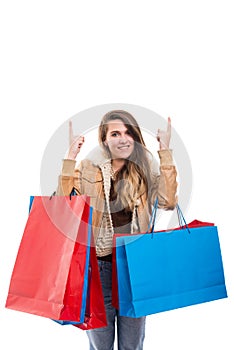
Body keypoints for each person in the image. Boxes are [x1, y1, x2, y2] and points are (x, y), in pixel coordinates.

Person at [57, 109, 177, 350]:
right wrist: (70, 157)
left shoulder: (145, 169)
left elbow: (168, 201)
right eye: (115, 133)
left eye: (128, 132)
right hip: (99, 268)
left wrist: (164, 152)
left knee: (132, 345)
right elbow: (63, 205)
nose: (123, 138)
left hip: (134, 267)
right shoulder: (88, 168)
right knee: (100, 345)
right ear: (104, 139)